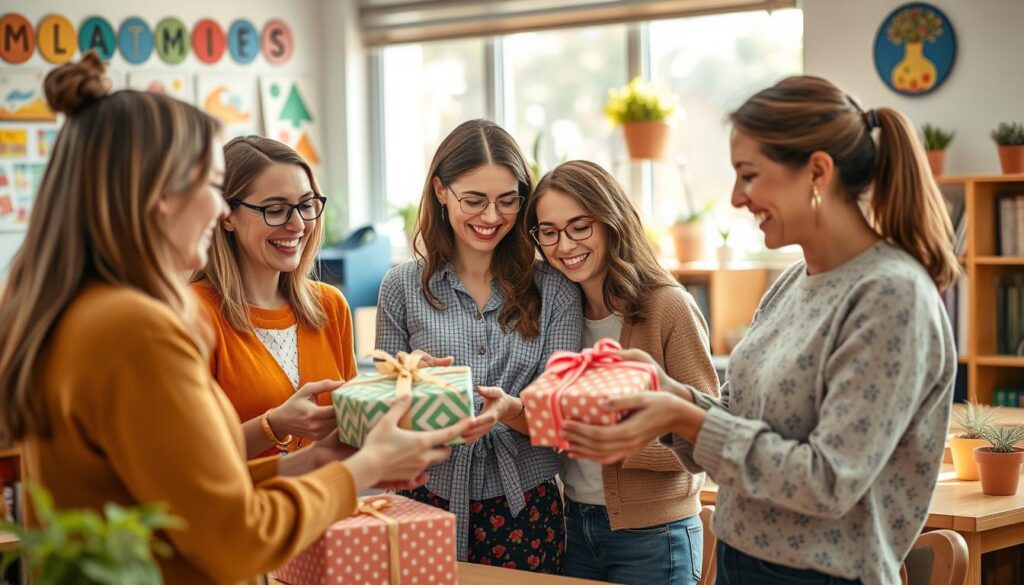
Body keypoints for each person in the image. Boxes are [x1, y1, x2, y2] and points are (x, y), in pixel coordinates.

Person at [0, 53, 470, 584]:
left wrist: (315, 461)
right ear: (159, 198)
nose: (219, 211)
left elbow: (183, 498)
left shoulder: (77, 311)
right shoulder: (137, 328)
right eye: (209, 186)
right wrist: (359, 468)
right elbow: (236, 539)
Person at [560, 76, 958, 585]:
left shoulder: (890, 295)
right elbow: (740, 417)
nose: (736, 197)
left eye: (749, 175)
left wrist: (688, 417)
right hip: (739, 559)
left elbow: (828, 480)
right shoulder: (793, 280)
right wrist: (668, 393)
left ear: (817, 171)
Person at [376, 119, 583, 571]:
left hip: (523, 505)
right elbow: (384, 419)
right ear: (440, 190)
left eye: (508, 201)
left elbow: (561, 422)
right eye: (474, 200)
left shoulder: (556, 291)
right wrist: (413, 382)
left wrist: (509, 410)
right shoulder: (401, 287)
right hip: (423, 497)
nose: (491, 217)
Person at [526, 160, 719, 585]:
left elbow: (707, 438)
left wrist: (621, 443)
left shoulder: (667, 307)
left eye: (580, 226)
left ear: (611, 222)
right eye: (549, 231)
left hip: (655, 535)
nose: (564, 245)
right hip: (575, 525)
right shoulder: (559, 312)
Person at [192, 136, 357, 458]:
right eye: (276, 209)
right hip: (244, 508)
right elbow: (189, 457)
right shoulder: (193, 313)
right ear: (226, 215)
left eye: (306, 205)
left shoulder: (329, 305)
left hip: (328, 504)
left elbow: (351, 434)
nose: (297, 224)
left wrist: (410, 384)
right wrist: (274, 426)